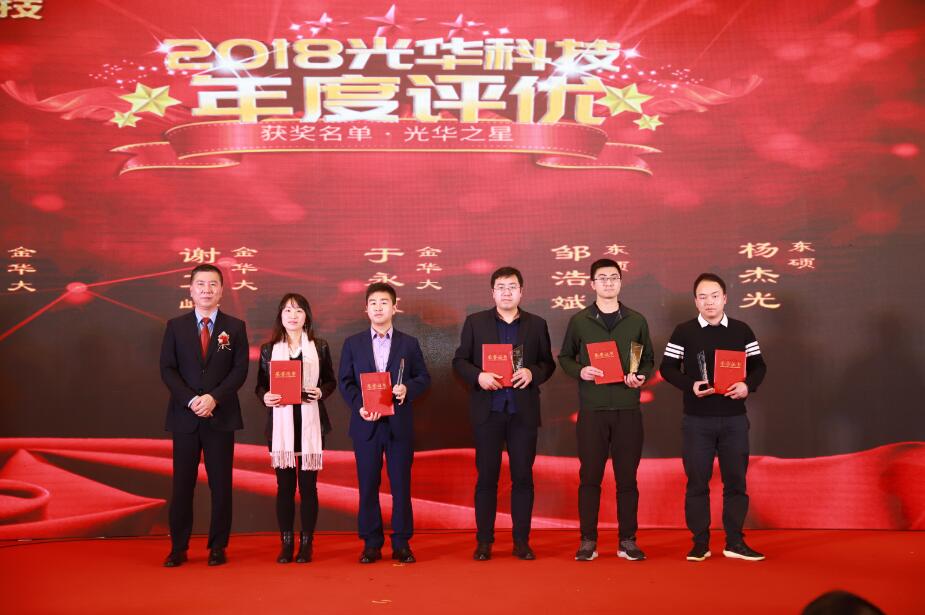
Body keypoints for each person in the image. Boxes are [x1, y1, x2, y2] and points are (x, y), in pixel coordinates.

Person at [659, 272, 768, 562]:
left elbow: (759, 366)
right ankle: (700, 543)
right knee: (697, 483)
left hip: (734, 419)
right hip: (697, 420)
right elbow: (667, 368)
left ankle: (735, 542)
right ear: (695, 301)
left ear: (725, 298)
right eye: (703, 297)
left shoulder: (742, 330)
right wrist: (690, 385)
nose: (709, 302)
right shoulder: (684, 331)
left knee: (736, 482)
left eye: (715, 296)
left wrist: (747, 386)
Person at [452, 267, 556, 561]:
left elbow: (547, 364)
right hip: (489, 411)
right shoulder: (476, 322)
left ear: (521, 291)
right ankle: (484, 542)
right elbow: (459, 361)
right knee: (487, 478)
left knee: (523, 478)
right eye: (501, 287)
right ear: (492, 292)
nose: (506, 292)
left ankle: (521, 541)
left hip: (523, 412)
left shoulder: (536, 324)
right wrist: (479, 376)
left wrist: (532, 373)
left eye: (512, 286)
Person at [558, 258, 654, 562]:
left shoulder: (636, 320)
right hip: (593, 410)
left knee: (627, 479)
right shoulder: (580, 320)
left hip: (627, 409)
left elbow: (647, 360)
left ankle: (628, 540)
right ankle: (588, 540)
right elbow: (565, 357)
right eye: (602, 278)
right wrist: (581, 370)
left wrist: (640, 377)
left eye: (614, 277)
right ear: (592, 284)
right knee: (590, 478)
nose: (608, 282)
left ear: (620, 282)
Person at [159, 263, 249, 567]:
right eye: (201, 284)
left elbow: (239, 371)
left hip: (220, 417)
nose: (207, 290)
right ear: (191, 289)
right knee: (182, 486)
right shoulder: (176, 326)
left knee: (221, 486)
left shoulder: (235, 327)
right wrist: (191, 400)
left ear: (222, 290)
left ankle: (218, 546)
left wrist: (213, 398)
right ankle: (178, 547)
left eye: (213, 284)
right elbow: (167, 369)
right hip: (185, 417)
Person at [338, 283, 430, 564]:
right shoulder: (353, 343)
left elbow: (423, 378)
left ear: (395, 307)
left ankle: (401, 543)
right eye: (373, 303)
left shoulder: (408, 343)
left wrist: (407, 389)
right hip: (366, 424)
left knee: (401, 485)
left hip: (398, 424)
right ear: (366, 309)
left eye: (384, 302)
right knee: (368, 485)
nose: (378, 307)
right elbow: (345, 382)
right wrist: (361, 406)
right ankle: (371, 543)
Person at [255, 293, 336, 563]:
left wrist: (321, 392)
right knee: (285, 488)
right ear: (280, 316)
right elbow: (260, 385)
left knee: (309, 488)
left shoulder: (319, 346)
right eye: (288, 310)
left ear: (306, 316)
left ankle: (307, 544)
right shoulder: (269, 350)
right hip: (281, 428)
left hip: (311, 425)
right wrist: (265, 396)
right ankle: (287, 543)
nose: (293, 315)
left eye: (299, 310)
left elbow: (330, 381)